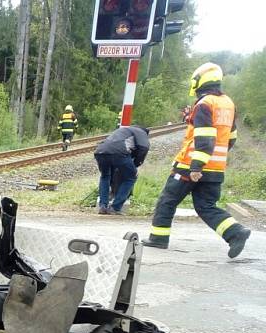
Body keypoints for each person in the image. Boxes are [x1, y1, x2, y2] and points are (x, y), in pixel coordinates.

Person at [142, 63, 250, 258]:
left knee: (167, 200)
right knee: (206, 206)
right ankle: (236, 233)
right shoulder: (228, 103)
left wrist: (197, 166)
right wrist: (214, 160)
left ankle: (158, 238)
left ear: (199, 81)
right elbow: (231, 137)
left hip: (190, 166)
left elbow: (205, 137)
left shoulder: (204, 104)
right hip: (216, 168)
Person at [94, 125, 150, 215]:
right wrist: (135, 164)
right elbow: (144, 148)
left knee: (105, 176)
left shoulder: (123, 130)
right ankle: (115, 208)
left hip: (100, 151)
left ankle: (103, 206)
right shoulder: (141, 132)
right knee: (131, 177)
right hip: (119, 153)